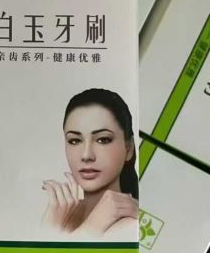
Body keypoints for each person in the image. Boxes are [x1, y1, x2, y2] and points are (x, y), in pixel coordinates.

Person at [42, 88, 138, 236]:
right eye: (75, 141)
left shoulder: (132, 225)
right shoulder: (58, 216)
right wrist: (50, 226)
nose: (86, 155)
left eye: (103, 140)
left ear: (129, 148)